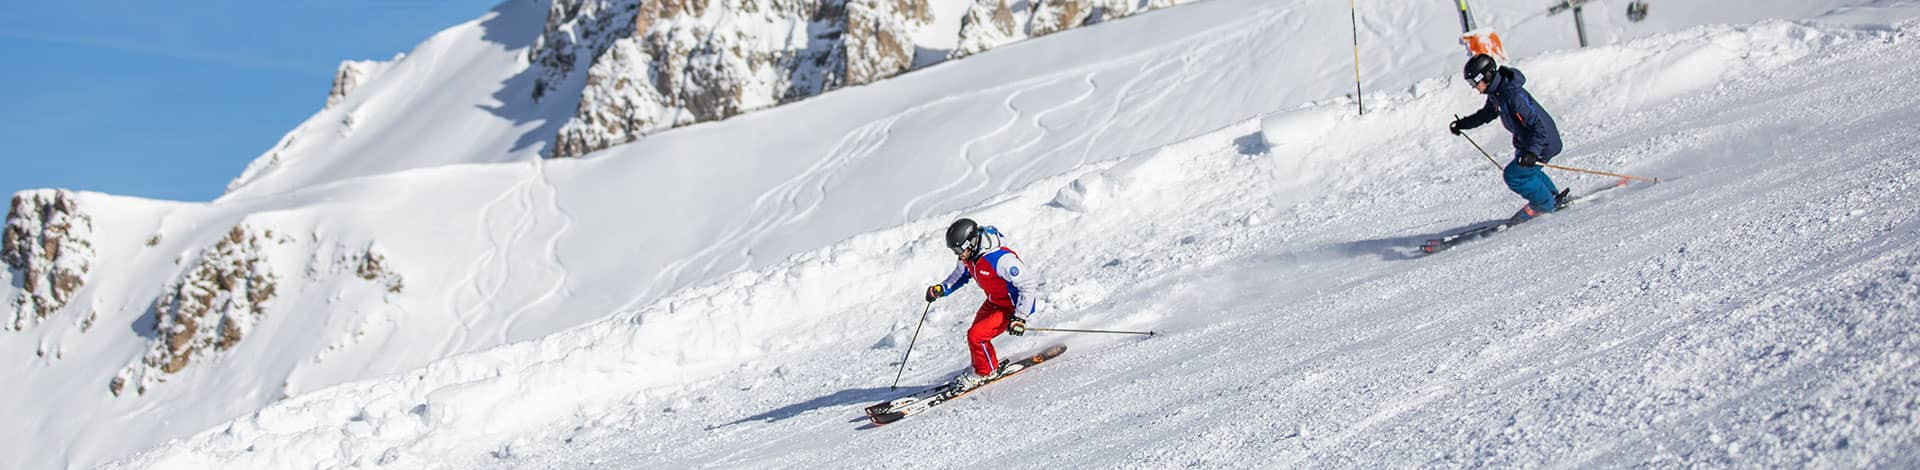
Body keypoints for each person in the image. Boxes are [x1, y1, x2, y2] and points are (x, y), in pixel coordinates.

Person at [924, 218, 1041, 391]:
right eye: (954, 250)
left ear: (971, 242)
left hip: (1012, 307)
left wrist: (1020, 317)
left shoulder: (1000, 259)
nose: (958, 254)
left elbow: (1028, 284)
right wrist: (942, 288)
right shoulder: (969, 255)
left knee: (976, 336)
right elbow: (960, 274)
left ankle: (985, 372)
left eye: (959, 249)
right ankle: (983, 364)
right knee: (976, 335)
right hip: (994, 301)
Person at [1450, 54, 1569, 221]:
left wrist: (1533, 152)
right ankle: (1551, 197)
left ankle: (1546, 205)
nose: (1474, 87)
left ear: (1487, 75)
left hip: (1543, 142)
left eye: (1474, 82)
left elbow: (1538, 126)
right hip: (1528, 142)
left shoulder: (1513, 95)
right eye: (1471, 83)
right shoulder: (1497, 93)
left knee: (1514, 176)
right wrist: (1463, 124)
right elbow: (1486, 114)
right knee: (1525, 172)